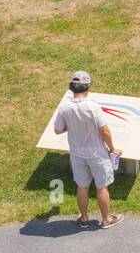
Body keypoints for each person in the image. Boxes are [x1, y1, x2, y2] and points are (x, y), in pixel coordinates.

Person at [53, 71, 124, 229]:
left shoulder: (64, 107)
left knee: (82, 186)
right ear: (88, 87)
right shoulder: (93, 107)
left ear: (71, 87)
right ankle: (106, 219)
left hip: (77, 153)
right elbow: (104, 131)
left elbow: (58, 130)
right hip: (97, 152)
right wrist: (112, 148)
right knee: (102, 186)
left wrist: (71, 126)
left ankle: (84, 218)